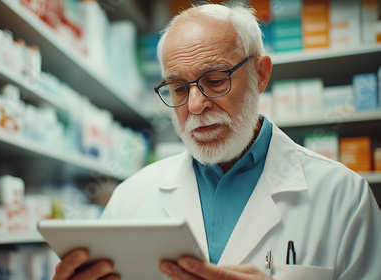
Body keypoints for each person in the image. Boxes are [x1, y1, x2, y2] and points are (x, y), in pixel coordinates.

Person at [53, 3, 381, 280]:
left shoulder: (343, 197)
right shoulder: (131, 199)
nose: (195, 105)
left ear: (261, 74)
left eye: (214, 80)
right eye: (179, 88)